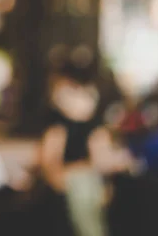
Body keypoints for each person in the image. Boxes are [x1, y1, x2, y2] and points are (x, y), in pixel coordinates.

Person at [40, 63, 133, 236]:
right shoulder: (57, 130)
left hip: (100, 193)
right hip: (71, 195)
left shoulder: (98, 129)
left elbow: (107, 162)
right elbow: (52, 172)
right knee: (83, 183)